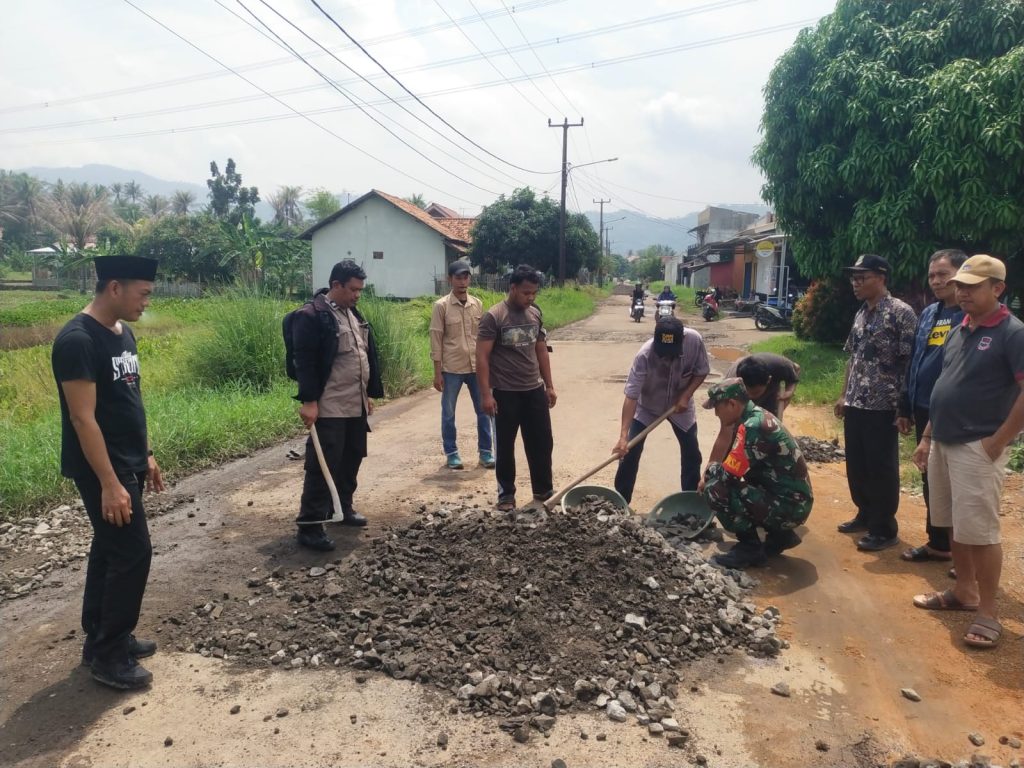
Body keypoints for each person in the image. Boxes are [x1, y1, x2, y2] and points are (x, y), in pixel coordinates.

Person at [51, 255, 163, 690]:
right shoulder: (78, 341)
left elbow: (129, 400)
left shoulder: (123, 332)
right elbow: (83, 419)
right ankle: (110, 655)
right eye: (143, 294)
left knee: (110, 549)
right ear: (115, 287)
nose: (146, 303)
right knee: (133, 553)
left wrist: (146, 453)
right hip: (103, 469)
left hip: (127, 461)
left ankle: (101, 637)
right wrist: (110, 483)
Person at [911, 255, 1024, 649]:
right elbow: (946, 383)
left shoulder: (1012, 333)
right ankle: (964, 591)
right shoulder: (960, 329)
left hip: (977, 444)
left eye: (972, 286)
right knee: (953, 524)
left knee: (981, 532)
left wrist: (998, 441)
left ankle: (988, 612)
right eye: (960, 285)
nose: (962, 292)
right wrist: (927, 436)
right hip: (943, 440)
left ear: (997, 288)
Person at [291, 260, 383, 551]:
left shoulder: (352, 313)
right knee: (323, 464)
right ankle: (310, 525)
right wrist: (309, 401)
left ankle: (342, 507)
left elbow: (360, 355)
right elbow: (304, 362)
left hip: (354, 402)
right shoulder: (312, 316)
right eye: (353, 289)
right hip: (329, 404)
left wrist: (366, 393)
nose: (357, 295)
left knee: (352, 456)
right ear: (336, 285)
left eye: (360, 290)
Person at [834, 254, 917, 552]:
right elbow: (853, 358)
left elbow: (910, 362)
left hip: (883, 405)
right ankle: (865, 513)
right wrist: (844, 394)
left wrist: (904, 406)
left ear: (881, 278)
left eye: (862, 277)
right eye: (853, 278)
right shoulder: (861, 313)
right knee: (857, 464)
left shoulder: (900, 312)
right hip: (857, 402)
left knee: (881, 468)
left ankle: (883, 528)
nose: (855, 283)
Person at [896, 249, 967, 563]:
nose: (936, 281)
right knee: (931, 480)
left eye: (943, 274)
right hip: (924, 406)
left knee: (958, 485)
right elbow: (915, 359)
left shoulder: (969, 316)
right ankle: (938, 543)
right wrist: (905, 405)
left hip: (956, 412)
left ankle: (966, 559)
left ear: (962, 274)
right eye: (932, 276)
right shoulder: (928, 313)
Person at [700, 378, 813, 569]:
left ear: (732, 404)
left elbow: (727, 475)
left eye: (717, 407)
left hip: (790, 507)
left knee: (715, 488)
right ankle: (780, 536)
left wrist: (708, 473)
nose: (716, 413)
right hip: (791, 499)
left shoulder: (754, 426)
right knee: (733, 480)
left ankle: (750, 548)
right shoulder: (755, 416)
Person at [477, 264, 556, 511]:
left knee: (542, 441)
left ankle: (543, 489)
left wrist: (549, 385)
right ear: (513, 288)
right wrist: (486, 394)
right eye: (526, 293)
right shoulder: (494, 316)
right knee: (505, 445)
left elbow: (541, 349)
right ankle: (506, 495)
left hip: (533, 389)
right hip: (505, 392)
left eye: (534, 293)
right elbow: (482, 357)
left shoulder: (535, 313)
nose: (530, 297)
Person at [611, 316, 709, 503]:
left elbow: (702, 371)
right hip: (648, 406)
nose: (667, 356)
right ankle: (620, 502)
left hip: (681, 406)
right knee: (629, 452)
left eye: (672, 352)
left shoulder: (694, 341)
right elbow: (631, 396)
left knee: (691, 452)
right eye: (663, 352)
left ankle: (691, 502)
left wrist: (686, 395)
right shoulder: (644, 355)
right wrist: (623, 436)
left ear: (682, 339)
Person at [429, 259, 494, 470]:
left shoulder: (477, 304)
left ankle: (486, 452)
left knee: (484, 410)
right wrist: (437, 372)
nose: (462, 282)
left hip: (476, 367)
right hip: (452, 368)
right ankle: (452, 454)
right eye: (458, 277)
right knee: (448, 413)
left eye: (466, 277)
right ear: (450, 279)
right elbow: (436, 338)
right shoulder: (441, 306)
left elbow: (483, 337)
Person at [725, 353, 801, 420]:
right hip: (737, 392)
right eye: (746, 391)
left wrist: (790, 391)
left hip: (769, 388)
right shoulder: (731, 385)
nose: (751, 396)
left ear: (768, 380)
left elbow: (796, 368)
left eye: (755, 393)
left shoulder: (780, 365)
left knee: (769, 419)